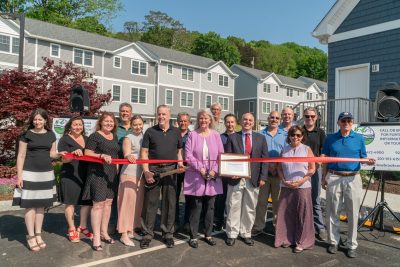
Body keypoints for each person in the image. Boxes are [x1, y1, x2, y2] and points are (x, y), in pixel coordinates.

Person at [322, 112, 375, 258]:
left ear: (352, 123)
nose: (346, 123)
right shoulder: (330, 138)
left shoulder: (358, 138)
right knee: (333, 211)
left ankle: (351, 244)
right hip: (334, 176)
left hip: (353, 178)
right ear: (338, 122)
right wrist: (323, 177)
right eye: (343, 120)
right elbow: (325, 158)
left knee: (353, 213)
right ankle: (333, 241)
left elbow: (363, 158)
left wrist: (368, 161)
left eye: (349, 120)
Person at [13, 108, 61, 251]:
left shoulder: (51, 135)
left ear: (45, 120)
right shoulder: (26, 135)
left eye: (40, 119)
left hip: (46, 174)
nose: (37, 121)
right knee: (30, 205)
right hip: (29, 174)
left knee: (41, 206)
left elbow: (52, 154)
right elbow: (21, 156)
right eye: (35, 119)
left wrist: (61, 154)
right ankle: (31, 236)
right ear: (32, 120)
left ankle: (38, 234)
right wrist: (19, 176)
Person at [140, 105, 185, 249]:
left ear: (169, 115)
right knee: (150, 204)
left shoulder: (176, 132)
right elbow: (144, 153)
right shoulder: (150, 131)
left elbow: (179, 151)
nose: (161, 117)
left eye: (164, 114)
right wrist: (146, 171)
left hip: (171, 170)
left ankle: (168, 234)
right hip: (153, 170)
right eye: (159, 114)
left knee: (169, 203)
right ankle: (147, 234)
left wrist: (179, 164)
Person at [224, 113, 268, 246]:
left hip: (253, 178)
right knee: (233, 206)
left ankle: (246, 232)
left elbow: (264, 159)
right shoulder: (233, 137)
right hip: (236, 178)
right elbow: (228, 157)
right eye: (245, 119)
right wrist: (230, 172)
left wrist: (263, 177)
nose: (247, 122)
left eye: (250, 120)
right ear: (241, 122)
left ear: (253, 123)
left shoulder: (261, 138)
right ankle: (232, 233)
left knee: (250, 207)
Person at [184, 110, 224, 248]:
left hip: (212, 177)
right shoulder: (192, 135)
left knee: (210, 208)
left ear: (210, 120)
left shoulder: (216, 135)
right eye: (201, 118)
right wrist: (200, 169)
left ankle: (208, 234)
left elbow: (220, 155)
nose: (203, 120)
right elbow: (188, 155)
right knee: (196, 207)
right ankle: (193, 236)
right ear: (198, 120)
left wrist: (214, 170)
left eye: (206, 118)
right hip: (196, 176)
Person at [275, 125, 316, 253]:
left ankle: (302, 242)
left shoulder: (306, 149)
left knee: (303, 214)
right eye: (293, 135)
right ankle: (287, 239)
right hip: (286, 186)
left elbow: (312, 168)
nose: (295, 137)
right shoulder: (284, 150)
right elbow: (279, 168)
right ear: (289, 137)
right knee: (286, 213)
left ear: (302, 137)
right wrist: (283, 180)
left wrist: (302, 181)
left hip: (303, 187)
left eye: (298, 135)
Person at [82, 112, 119, 251]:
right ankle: (96, 236)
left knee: (108, 204)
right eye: (106, 121)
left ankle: (104, 232)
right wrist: (101, 155)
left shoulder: (114, 136)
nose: (109, 123)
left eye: (111, 121)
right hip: (97, 174)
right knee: (98, 205)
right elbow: (87, 153)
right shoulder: (95, 136)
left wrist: (116, 172)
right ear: (101, 122)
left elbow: (115, 156)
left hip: (110, 174)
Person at [58, 116, 93, 243]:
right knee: (70, 202)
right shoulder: (64, 140)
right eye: (75, 125)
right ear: (70, 126)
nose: (78, 127)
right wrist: (73, 155)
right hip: (69, 175)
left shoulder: (88, 139)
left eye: (80, 125)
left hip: (86, 174)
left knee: (86, 202)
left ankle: (83, 226)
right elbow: (63, 159)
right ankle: (72, 229)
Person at [252, 111, 287, 236]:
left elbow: (286, 154)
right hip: (263, 174)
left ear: (280, 119)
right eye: (272, 117)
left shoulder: (285, 135)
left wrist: (277, 166)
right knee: (261, 202)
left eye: (277, 118)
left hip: (279, 174)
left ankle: (278, 227)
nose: (274, 119)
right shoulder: (260, 134)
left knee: (278, 203)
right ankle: (259, 226)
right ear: (268, 118)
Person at [118, 115, 145, 246]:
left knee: (136, 205)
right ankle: (123, 233)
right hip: (129, 173)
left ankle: (131, 230)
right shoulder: (128, 138)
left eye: (140, 124)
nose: (138, 127)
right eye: (135, 124)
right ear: (131, 125)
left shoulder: (144, 137)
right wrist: (129, 155)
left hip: (141, 175)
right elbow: (126, 153)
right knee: (126, 205)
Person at [302, 107, 327, 241]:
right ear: (303, 117)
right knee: (302, 199)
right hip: (300, 169)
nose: (309, 118)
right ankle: (304, 227)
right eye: (307, 116)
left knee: (315, 199)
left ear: (316, 118)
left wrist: (317, 164)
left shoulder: (321, 133)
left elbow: (323, 152)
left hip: (315, 169)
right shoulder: (299, 132)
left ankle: (320, 228)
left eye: (312, 116)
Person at [111, 103, 134, 233]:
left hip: (131, 168)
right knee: (115, 195)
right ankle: (115, 223)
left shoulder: (136, 127)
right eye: (122, 111)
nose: (124, 113)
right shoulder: (115, 128)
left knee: (129, 196)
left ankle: (129, 223)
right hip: (116, 166)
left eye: (127, 111)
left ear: (131, 113)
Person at [214, 113, 237, 231]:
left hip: (235, 173)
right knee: (221, 198)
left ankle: (231, 223)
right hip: (222, 173)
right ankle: (219, 221)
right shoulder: (219, 137)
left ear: (235, 123)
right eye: (228, 122)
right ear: (225, 123)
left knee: (233, 200)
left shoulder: (239, 137)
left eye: (232, 122)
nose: (230, 124)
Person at [175, 112, 191, 230]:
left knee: (189, 196)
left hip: (189, 169)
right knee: (174, 196)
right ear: (177, 121)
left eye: (185, 121)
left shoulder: (193, 135)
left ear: (189, 122)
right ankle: (174, 221)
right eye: (181, 120)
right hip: (175, 169)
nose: (183, 123)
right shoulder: (173, 134)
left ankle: (187, 222)